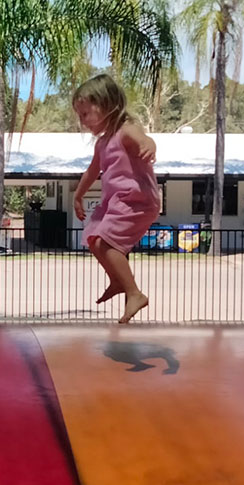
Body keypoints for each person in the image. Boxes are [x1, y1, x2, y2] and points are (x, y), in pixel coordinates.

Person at [72, 74, 161, 323]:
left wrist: (149, 145)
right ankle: (118, 280)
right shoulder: (102, 144)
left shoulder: (125, 130)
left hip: (137, 200)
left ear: (107, 105)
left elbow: (144, 138)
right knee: (94, 238)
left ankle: (134, 293)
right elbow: (92, 172)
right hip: (116, 202)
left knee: (106, 242)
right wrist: (78, 196)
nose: (82, 122)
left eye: (86, 114)